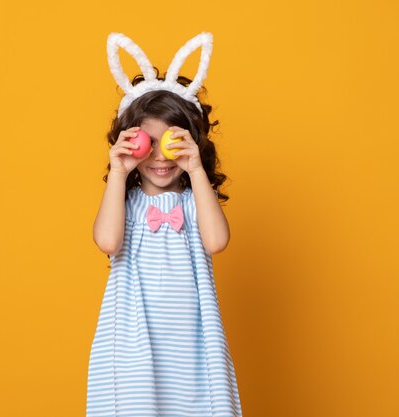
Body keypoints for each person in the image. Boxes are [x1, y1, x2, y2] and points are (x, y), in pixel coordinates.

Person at [87, 32, 243, 416]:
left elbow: (217, 240)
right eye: (147, 143)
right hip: (133, 340)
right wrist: (120, 172)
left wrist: (195, 168)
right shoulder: (126, 203)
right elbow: (107, 241)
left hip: (191, 340)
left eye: (171, 142)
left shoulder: (193, 203)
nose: (159, 156)